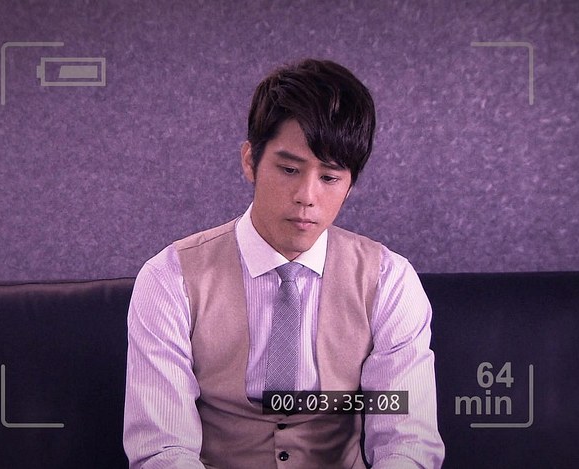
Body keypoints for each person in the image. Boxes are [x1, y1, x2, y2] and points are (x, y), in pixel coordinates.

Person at [123, 58, 444, 468]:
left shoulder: (389, 281)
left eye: (330, 178)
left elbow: (406, 441)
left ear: (350, 184)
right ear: (250, 161)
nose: (306, 196)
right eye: (289, 169)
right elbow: (164, 449)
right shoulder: (169, 278)